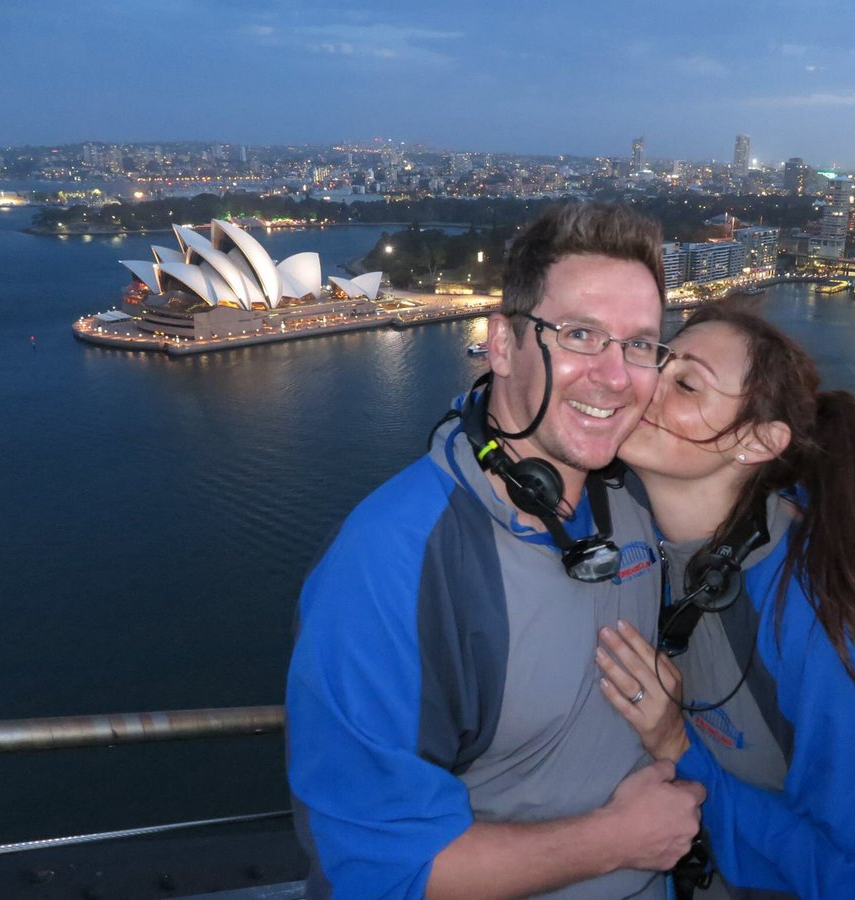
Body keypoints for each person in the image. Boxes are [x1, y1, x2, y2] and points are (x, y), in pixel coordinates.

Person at [286, 203, 705, 899]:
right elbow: (374, 873)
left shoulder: (632, 503)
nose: (615, 376)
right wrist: (615, 842)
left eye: (639, 345)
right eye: (579, 334)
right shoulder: (392, 563)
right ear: (503, 344)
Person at [596, 301, 855, 899]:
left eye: (687, 383)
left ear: (755, 441)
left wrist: (677, 746)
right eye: (659, 363)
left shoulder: (820, 614)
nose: (642, 388)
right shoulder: (625, 534)